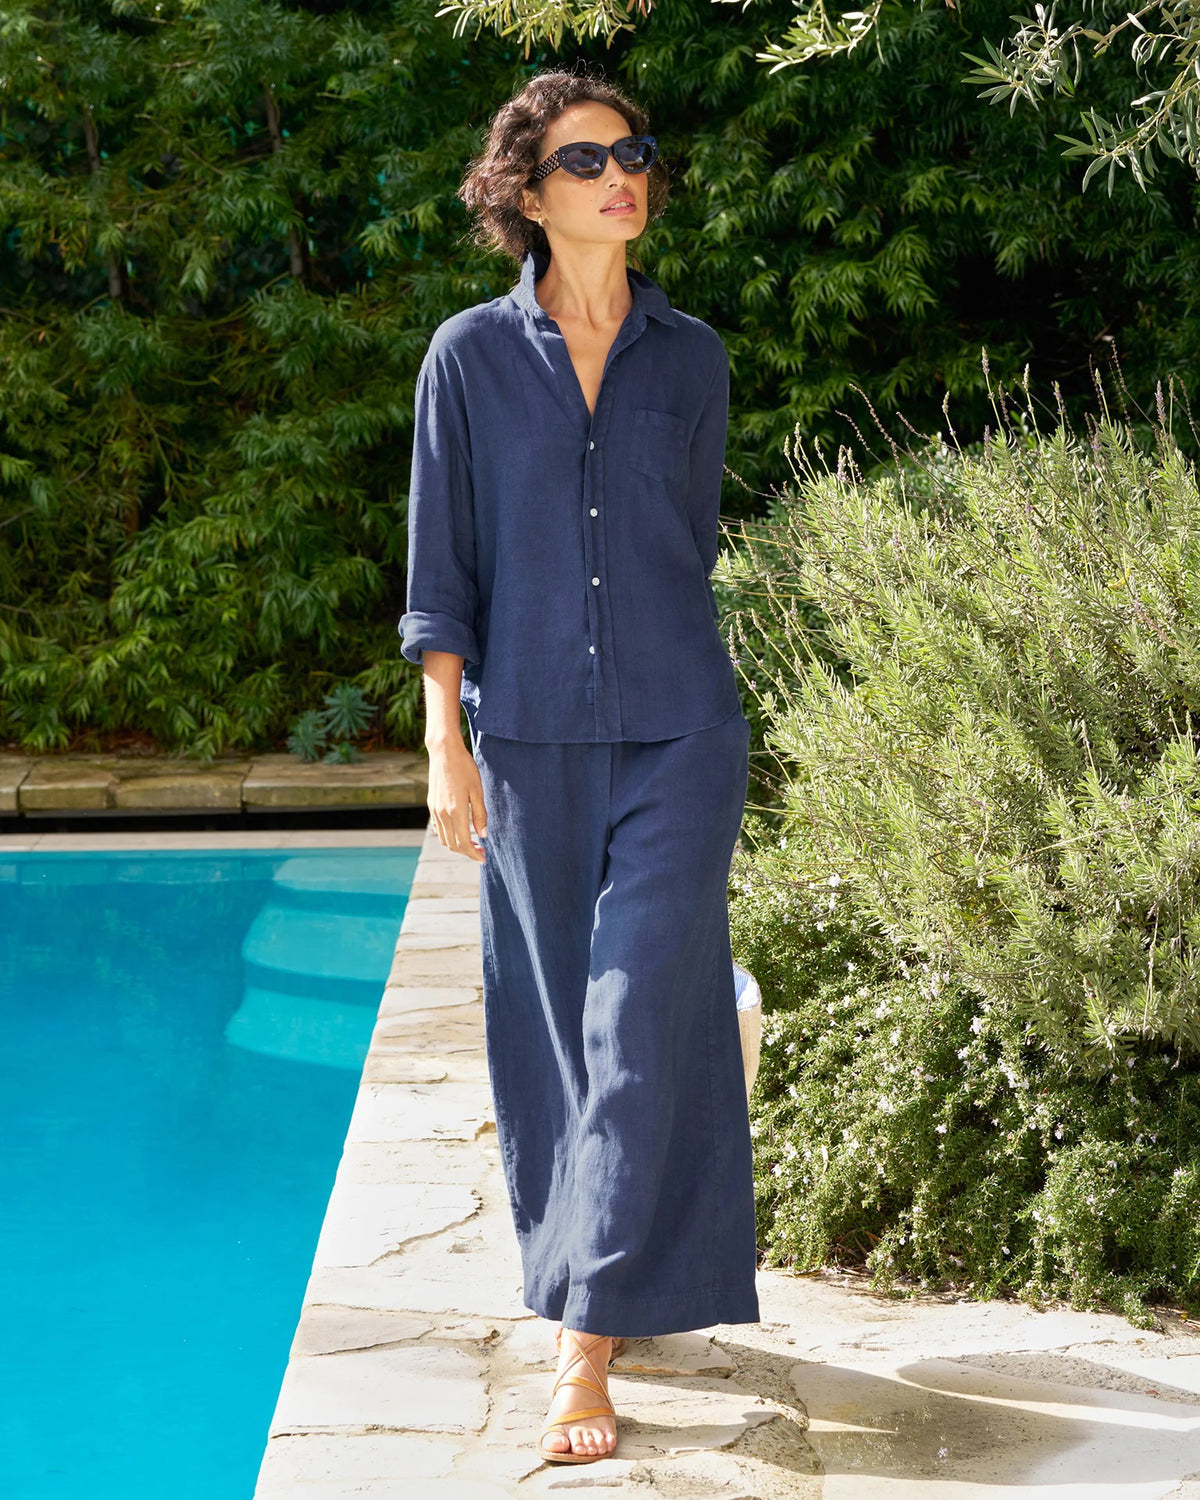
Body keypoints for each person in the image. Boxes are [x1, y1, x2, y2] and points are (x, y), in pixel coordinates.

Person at [399, 66, 759, 1466]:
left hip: (682, 730)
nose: (624, 176)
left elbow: (685, 545)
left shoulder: (693, 357)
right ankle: (609, 1281)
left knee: (635, 1018)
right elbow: (443, 570)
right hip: (531, 737)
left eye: (635, 152)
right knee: (557, 1036)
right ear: (528, 195)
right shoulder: (467, 359)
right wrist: (448, 746)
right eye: (589, 160)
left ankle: (582, 1348)